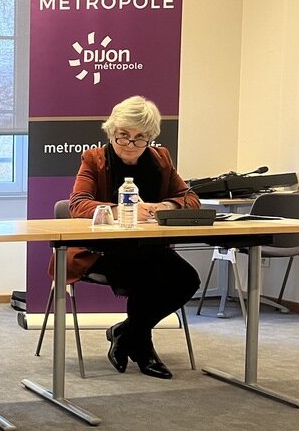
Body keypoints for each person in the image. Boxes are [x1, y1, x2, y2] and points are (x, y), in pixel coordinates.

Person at [64, 95, 201, 379]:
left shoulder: (160, 159)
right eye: (123, 136)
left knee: (188, 280)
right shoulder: (94, 159)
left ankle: (125, 332)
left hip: (150, 247)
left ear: (151, 138)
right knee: (147, 277)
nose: (129, 144)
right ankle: (143, 347)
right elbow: (78, 204)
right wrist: (123, 210)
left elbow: (190, 199)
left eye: (140, 138)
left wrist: (165, 206)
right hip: (102, 251)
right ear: (111, 131)